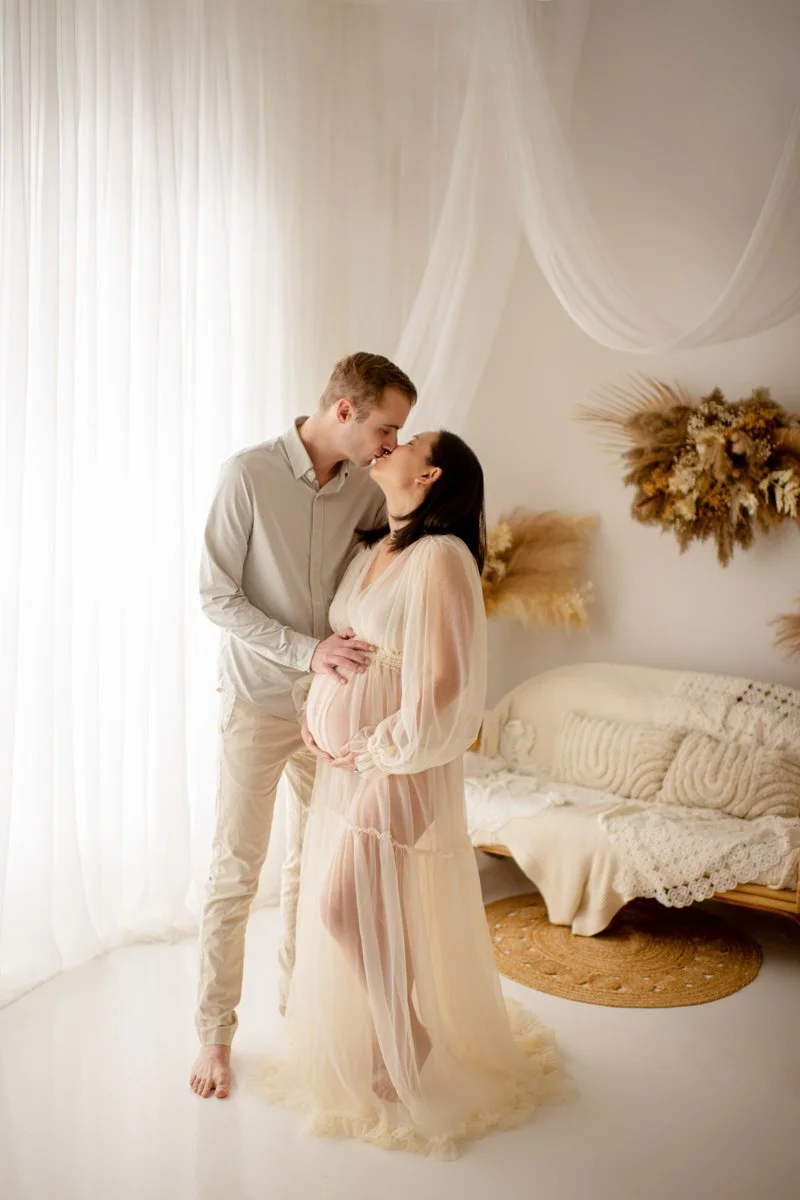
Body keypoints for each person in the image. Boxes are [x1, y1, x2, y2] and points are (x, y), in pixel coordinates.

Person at [256, 430, 564, 1155]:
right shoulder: (373, 552)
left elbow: (448, 680)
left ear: (428, 474)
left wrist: (382, 743)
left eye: (406, 443)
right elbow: (347, 653)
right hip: (351, 761)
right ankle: (388, 1031)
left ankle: (410, 1034)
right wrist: (316, 713)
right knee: (370, 902)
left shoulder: (444, 557)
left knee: (340, 902)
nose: (385, 445)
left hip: (406, 761)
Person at [190, 352, 417, 1100]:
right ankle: (215, 1035)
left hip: (334, 711)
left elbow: (385, 563)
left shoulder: (363, 489)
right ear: (344, 411)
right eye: (386, 427)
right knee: (236, 867)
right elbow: (215, 597)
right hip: (257, 702)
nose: (391, 444)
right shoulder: (245, 475)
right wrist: (306, 651)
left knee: (313, 865)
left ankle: (297, 998)